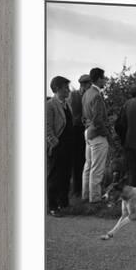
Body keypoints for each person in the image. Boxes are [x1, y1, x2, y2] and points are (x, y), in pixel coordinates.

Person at [46, 76, 74, 216]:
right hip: (58, 145)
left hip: (68, 145)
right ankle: (52, 206)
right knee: (55, 175)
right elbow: (46, 126)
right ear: (57, 89)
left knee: (66, 175)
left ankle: (64, 203)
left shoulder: (66, 104)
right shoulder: (50, 105)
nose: (68, 90)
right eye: (65, 88)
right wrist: (53, 141)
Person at [81, 67, 109, 203]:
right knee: (97, 169)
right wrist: (106, 133)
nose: (105, 80)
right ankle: (95, 199)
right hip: (97, 133)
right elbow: (98, 120)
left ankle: (85, 195)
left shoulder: (86, 93)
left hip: (88, 132)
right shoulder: (97, 95)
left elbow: (86, 115)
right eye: (104, 78)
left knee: (88, 166)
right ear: (98, 79)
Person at [69, 74, 92, 195]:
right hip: (76, 129)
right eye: (87, 84)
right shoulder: (74, 95)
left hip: (84, 129)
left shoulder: (86, 95)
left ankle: (83, 188)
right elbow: (73, 115)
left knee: (85, 160)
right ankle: (77, 189)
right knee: (77, 160)